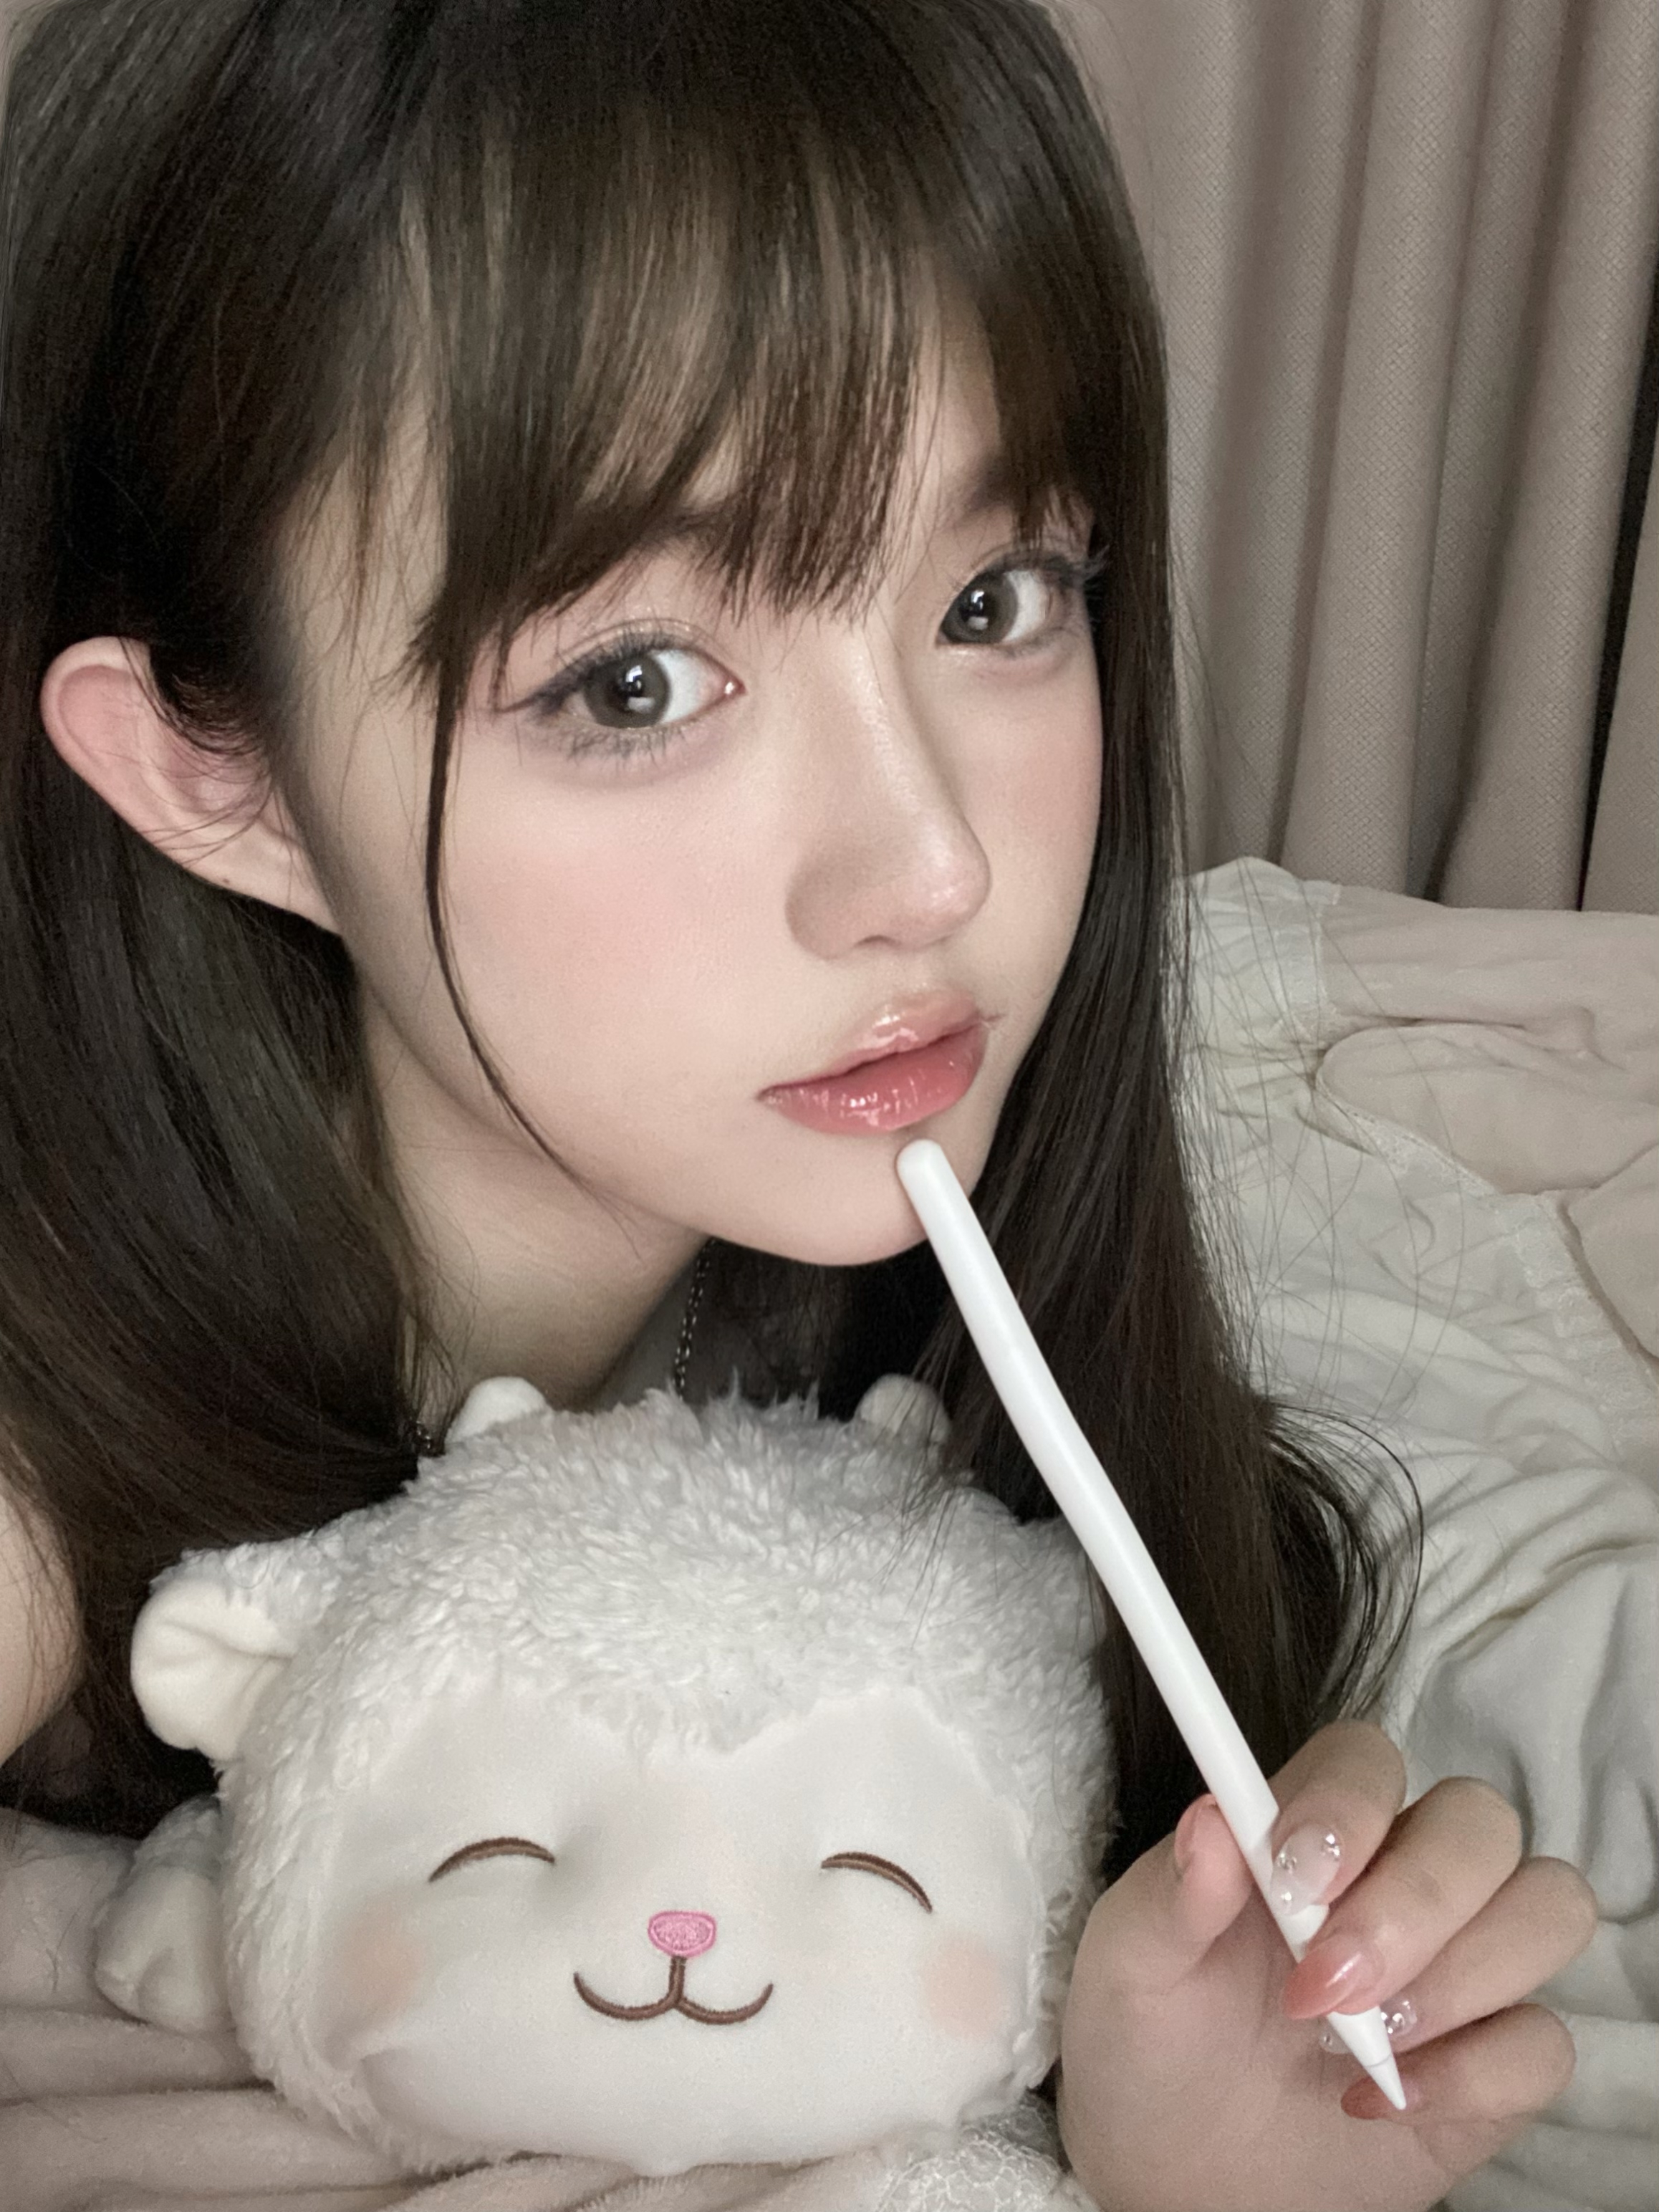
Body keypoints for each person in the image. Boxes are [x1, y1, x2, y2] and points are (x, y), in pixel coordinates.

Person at [0, 1, 1599, 2207]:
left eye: (994, 598)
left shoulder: (959, 1371)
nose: (929, 867)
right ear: (219, 773)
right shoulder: (46, 1471)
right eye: (632, 681)